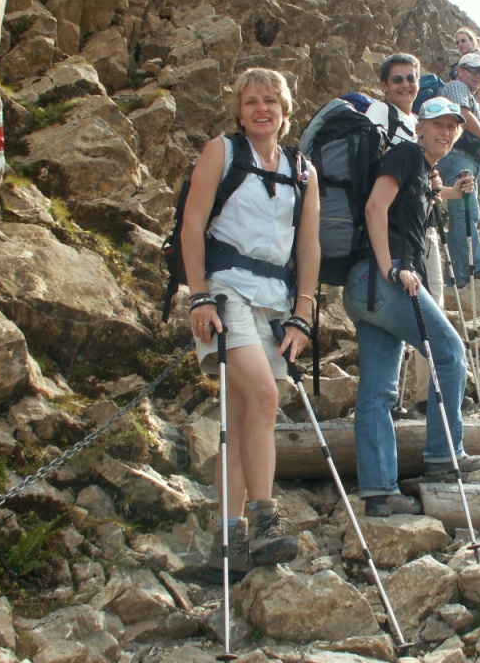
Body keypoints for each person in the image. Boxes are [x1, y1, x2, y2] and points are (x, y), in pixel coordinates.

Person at [183, 67, 321, 581]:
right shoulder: (220, 151)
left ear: (285, 112)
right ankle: (266, 519)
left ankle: (228, 544)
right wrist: (198, 295)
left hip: (276, 303)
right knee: (265, 397)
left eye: (270, 101)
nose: (261, 109)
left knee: (243, 420)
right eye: (251, 102)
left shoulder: (303, 171)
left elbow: (309, 246)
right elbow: (192, 224)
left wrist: (303, 314)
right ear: (239, 113)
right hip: (225, 293)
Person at [343, 97, 480, 517]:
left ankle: (380, 492)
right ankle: (443, 455)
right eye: (438, 124)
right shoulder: (406, 154)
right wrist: (390, 268)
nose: (446, 131)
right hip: (385, 280)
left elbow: (416, 204)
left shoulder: (423, 171)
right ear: (418, 127)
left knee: (378, 390)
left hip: (363, 287)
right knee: (450, 353)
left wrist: (449, 192)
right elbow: (375, 206)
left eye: (453, 126)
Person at [365, 53, 433, 418]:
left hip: (412, 229)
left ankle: (411, 396)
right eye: (397, 79)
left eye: (411, 78)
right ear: (384, 85)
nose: (406, 85)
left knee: (413, 313)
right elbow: (379, 179)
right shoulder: (380, 113)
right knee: (414, 315)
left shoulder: (416, 122)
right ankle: (423, 396)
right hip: (393, 234)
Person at [435, 52, 480, 287]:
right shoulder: (457, 87)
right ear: (460, 70)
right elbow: (463, 115)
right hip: (458, 159)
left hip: (464, 159)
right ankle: (475, 268)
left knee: (463, 212)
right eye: (473, 70)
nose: (478, 75)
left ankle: (458, 276)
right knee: (466, 210)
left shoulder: (471, 97)